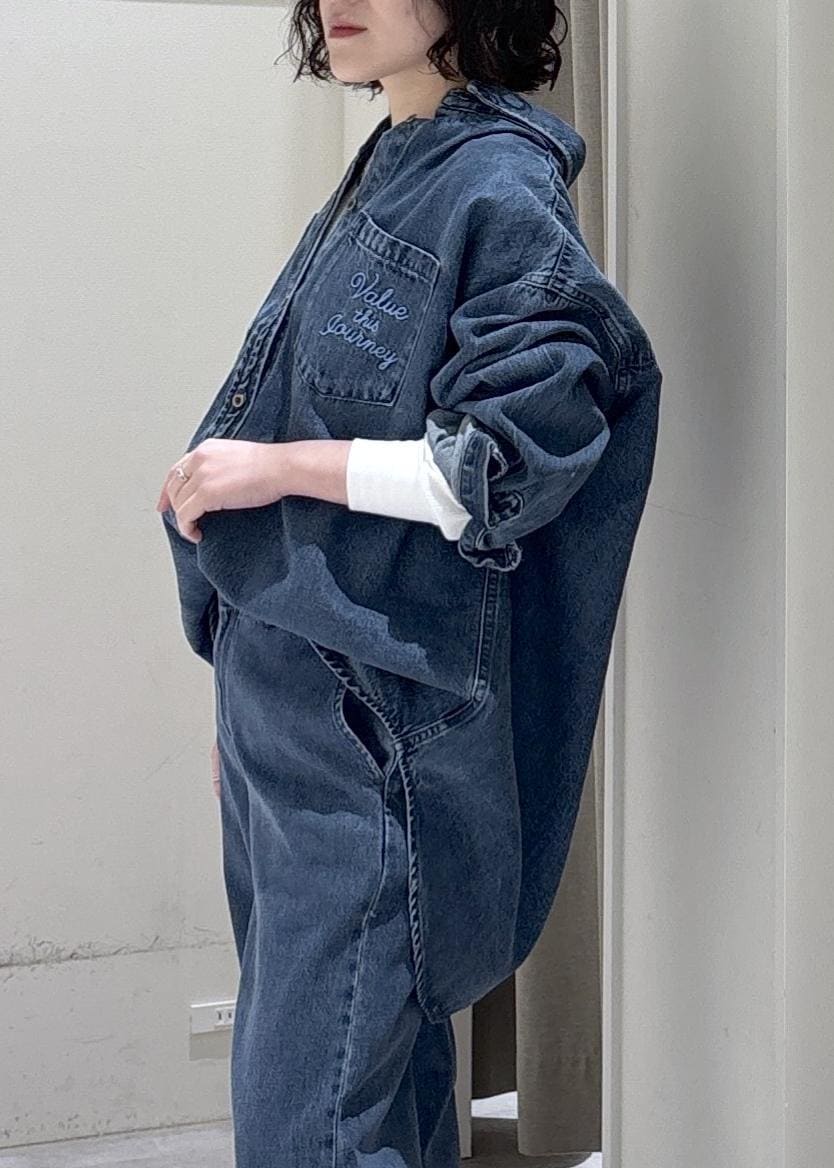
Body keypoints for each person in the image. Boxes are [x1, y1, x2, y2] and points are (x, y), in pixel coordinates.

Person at [156, 1, 662, 1164]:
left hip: (360, 724)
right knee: (371, 1095)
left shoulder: (496, 184)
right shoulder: (395, 158)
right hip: (288, 702)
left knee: (311, 1123)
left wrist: (275, 467)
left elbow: (508, 460)